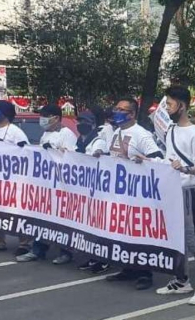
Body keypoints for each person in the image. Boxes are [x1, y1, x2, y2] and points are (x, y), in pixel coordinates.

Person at [153, 87, 195, 304]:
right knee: (175, 239)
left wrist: (186, 169)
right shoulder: (170, 130)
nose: (167, 108)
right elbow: (168, 160)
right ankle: (181, 280)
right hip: (172, 190)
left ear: (181, 105)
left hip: (188, 190)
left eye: (170, 104)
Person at [102, 98, 165, 291]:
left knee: (139, 234)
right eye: (116, 108)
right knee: (122, 233)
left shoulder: (141, 135)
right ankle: (128, 268)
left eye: (122, 110)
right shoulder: (117, 132)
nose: (117, 112)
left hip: (137, 194)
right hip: (118, 193)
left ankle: (145, 273)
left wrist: (143, 161)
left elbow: (156, 158)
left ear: (132, 114)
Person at [16, 104, 78, 265]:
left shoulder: (66, 134)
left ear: (56, 118)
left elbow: (71, 157)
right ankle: (38, 250)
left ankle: (66, 252)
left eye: (46, 116)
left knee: (63, 220)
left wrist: (54, 150)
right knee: (43, 219)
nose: (42, 119)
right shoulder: (46, 134)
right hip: (46, 184)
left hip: (62, 185)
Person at [0, 100, 32, 255]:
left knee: (17, 211)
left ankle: (24, 244)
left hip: (14, 180)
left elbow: (26, 152)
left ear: (5, 114)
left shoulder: (15, 132)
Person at [74, 111, 110, 274]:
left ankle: (103, 260)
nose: (81, 124)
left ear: (93, 125)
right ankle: (93, 256)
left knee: (100, 227)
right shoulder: (80, 141)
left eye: (85, 122)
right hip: (85, 191)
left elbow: (94, 160)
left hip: (98, 191)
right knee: (90, 227)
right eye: (79, 121)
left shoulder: (98, 142)